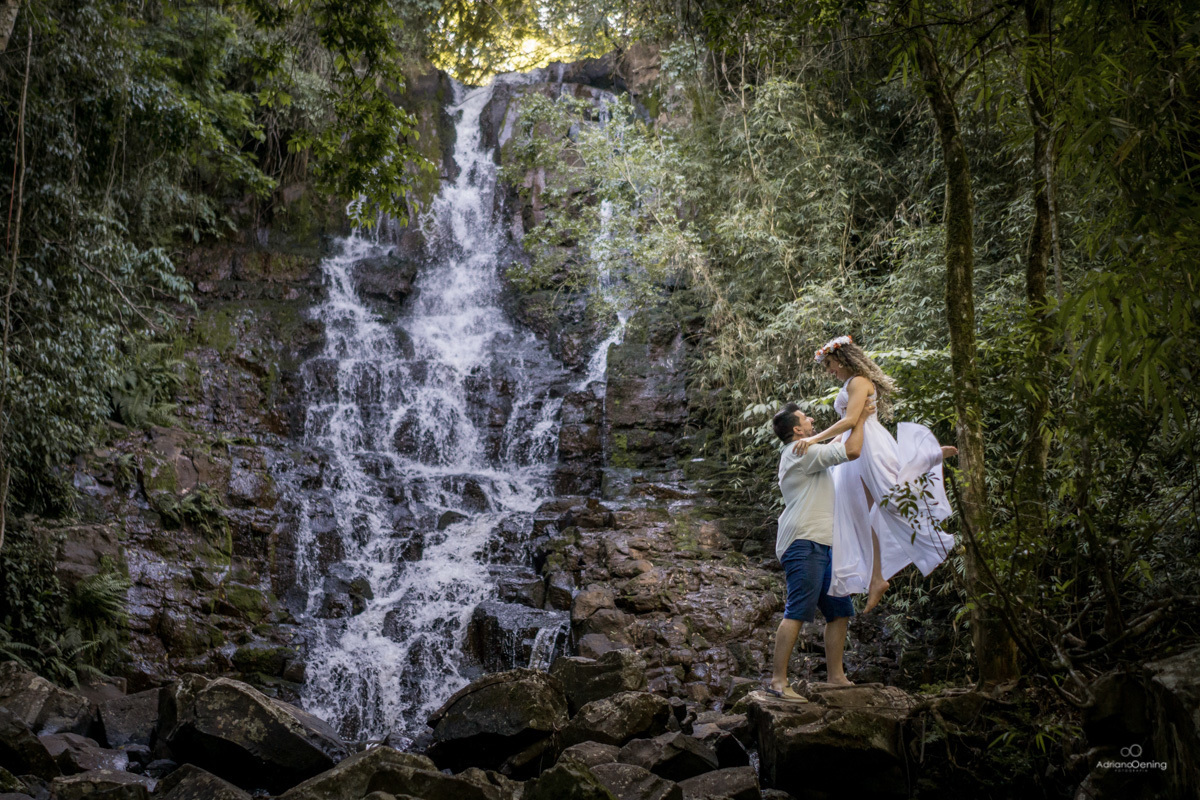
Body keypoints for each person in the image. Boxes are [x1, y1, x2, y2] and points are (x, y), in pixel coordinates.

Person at [795, 335, 958, 613]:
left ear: (843, 359)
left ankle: (924, 460)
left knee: (891, 497)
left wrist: (812, 440)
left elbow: (849, 420)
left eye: (830, 364)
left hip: (869, 444)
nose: (829, 370)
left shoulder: (859, 382)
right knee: (858, 510)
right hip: (854, 444)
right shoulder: (850, 383)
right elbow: (848, 427)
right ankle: (876, 578)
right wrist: (825, 449)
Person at [766, 397, 871, 701]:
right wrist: (859, 418)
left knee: (839, 611)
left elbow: (839, 440)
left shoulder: (807, 449)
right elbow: (851, 449)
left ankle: (836, 676)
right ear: (797, 431)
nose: (812, 420)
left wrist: (855, 417)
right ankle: (778, 681)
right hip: (804, 540)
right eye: (806, 418)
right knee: (798, 610)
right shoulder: (801, 452)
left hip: (823, 541)